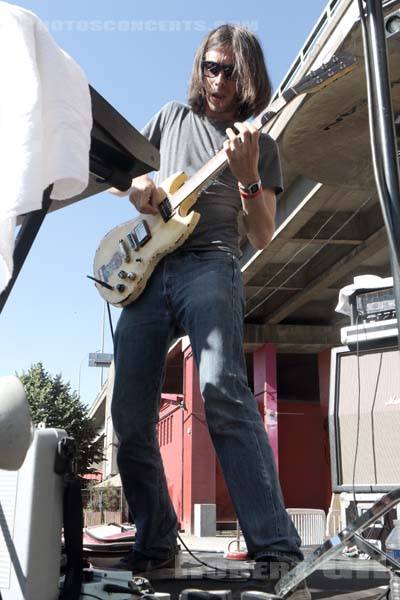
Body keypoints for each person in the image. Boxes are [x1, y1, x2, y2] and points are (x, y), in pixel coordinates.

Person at [111, 23, 304, 579]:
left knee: (222, 389)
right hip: (149, 267)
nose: (216, 80)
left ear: (249, 77)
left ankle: (274, 545)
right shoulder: (172, 117)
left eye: (229, 70)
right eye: (209, 67)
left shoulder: (258, 144)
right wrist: (138, 190)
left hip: (212, 262)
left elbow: (263, 234)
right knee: (129, 416)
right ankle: (156, 541)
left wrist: (246, 179)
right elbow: (122, 177)